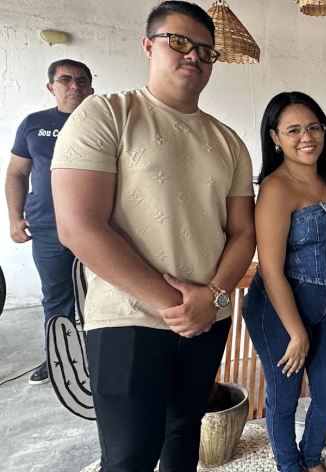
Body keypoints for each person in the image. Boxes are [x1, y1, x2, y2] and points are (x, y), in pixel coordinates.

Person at [51, 2, 256, 470]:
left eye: (206, 50)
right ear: (148, 45)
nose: (194, 55)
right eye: (179, 41)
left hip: (207, 318)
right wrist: (179, 304)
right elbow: (79, 226)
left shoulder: (229, 141)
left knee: (184, 432)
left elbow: (244, 232)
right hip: (127, 317)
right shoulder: (106, 114)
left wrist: (213, 297)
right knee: (129, 455)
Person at [241, 92, 326, 472]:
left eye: (314, 127)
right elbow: (270, 270)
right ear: (275, 137)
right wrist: (296, 332)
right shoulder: (275, 188)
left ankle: (311, 457)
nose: (307, 137)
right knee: (284, 398)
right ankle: (289, 466)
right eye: (294, 130)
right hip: (278, 311)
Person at [5, 59, 94, 385]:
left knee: (100, 296)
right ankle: (58, 357)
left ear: (91, 88)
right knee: (56, 297)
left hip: (99, 228)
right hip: (47, 228)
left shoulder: (105, 120)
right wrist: (15, 218)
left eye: (81, 81)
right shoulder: (34, 124)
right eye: (65, 79)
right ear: (51, 87)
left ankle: (100, 355)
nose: (74, 86)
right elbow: (16, 173)